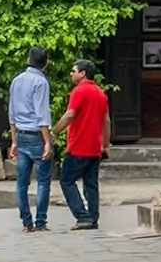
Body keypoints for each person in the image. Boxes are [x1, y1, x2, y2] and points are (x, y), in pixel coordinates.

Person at [7, 49, 56, 232]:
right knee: (43, 181)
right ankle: (40, 222)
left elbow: (12, 114)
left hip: (20, 135)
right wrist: (47, 142)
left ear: (28, 60)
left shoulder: (17, 80)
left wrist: (13, 140)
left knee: (22, 182)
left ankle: (26, 223)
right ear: (46, 63)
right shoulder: (40, 82)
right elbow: (41, 114)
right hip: (36, 135)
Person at [60, 58, 109, 229]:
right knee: (91, 184)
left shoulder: (79, 91)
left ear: (82, 73)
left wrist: (54, 132)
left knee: (66, 180)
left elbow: (70, 115)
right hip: (95, 147)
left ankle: (82, 216)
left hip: (78, 145)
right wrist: (106, 145)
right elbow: (107, 121)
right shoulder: (101, 94)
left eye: (73, 71)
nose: (71, 74)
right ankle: (93, 218)